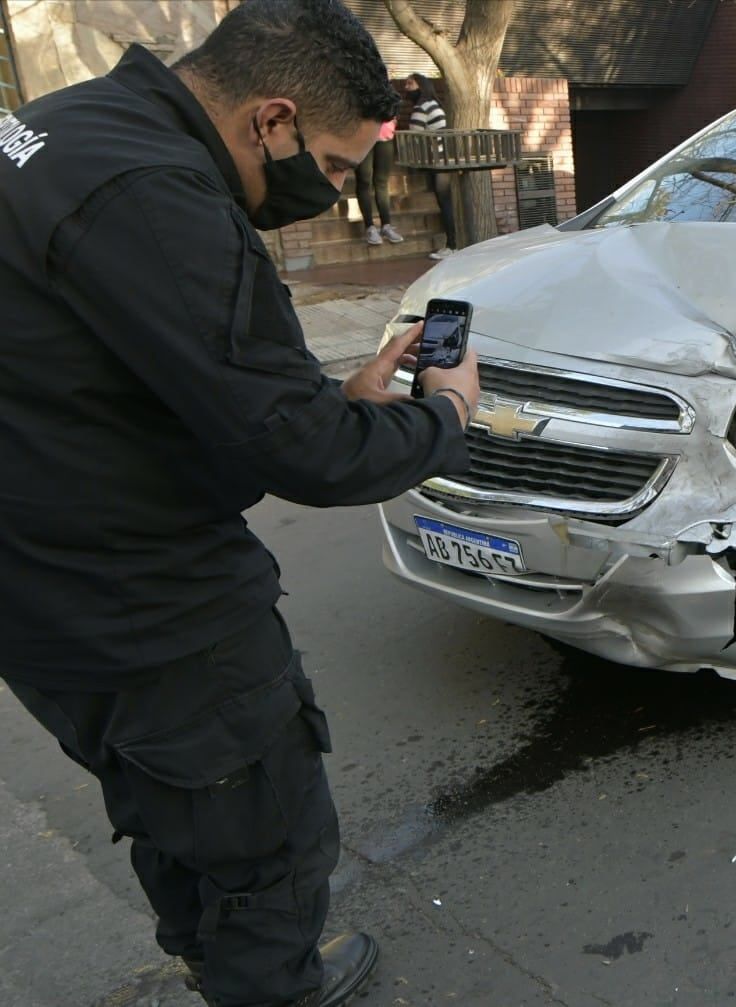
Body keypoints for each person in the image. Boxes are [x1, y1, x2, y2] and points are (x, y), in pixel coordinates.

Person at [0, 1, 481, 1005]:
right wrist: (443, 414)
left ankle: (213, 965)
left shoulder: (61, 124)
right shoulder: (159, 196)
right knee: (266, 842)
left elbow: (118, 366)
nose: (334, 190)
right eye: (340, 166)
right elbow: (304, 453)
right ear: (273, 119)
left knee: (167, 809)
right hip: (154, 612)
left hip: (43, 592)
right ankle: (267, 982)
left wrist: (315, 400)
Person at [402, 73, 459, 259]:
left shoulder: (422, 106)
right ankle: (453, 245)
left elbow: (414, 134)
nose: (406, 87)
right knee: (446, 202)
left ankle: (452, 246)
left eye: (410, 83)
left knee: (444, 203)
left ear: (421, 86)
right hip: (443, 158)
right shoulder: (433, 104)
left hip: (437, 160)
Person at [356, 111, 402, 245]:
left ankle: (386, 225)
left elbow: (393, 101)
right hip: (363, 137)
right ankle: (370, 227)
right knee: (364, 181)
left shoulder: (385, 89)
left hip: (385, 136)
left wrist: (393, 119)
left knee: (382, 182)